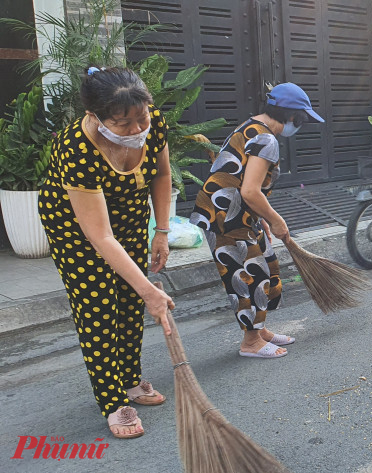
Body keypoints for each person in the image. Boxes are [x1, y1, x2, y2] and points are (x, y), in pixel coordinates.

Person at [38, 66, 175, 439]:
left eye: (141, 118)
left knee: (130, 300)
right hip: (76, 228)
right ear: (95, 117)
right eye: (122, 122)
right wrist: (150, 290)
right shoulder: (76, 148)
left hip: (130, 211)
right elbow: (99, 237)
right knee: (98, 306)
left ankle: (130, 380)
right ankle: (113, 400)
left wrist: (160, 233)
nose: (136, 129)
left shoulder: (153, 123)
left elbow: (162, 175)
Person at [190, 82, 324, 359]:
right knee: (250, 276)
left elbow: (246, 184)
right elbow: (250, 190)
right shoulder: (267, 140)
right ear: (291, 116)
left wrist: (261, 217)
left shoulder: (251, 127)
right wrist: (276, 220)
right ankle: (250, 343)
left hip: (236, 211)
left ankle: (260, 331)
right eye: (301, 119)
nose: (300, 124)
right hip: (225, 216)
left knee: (268, 266)